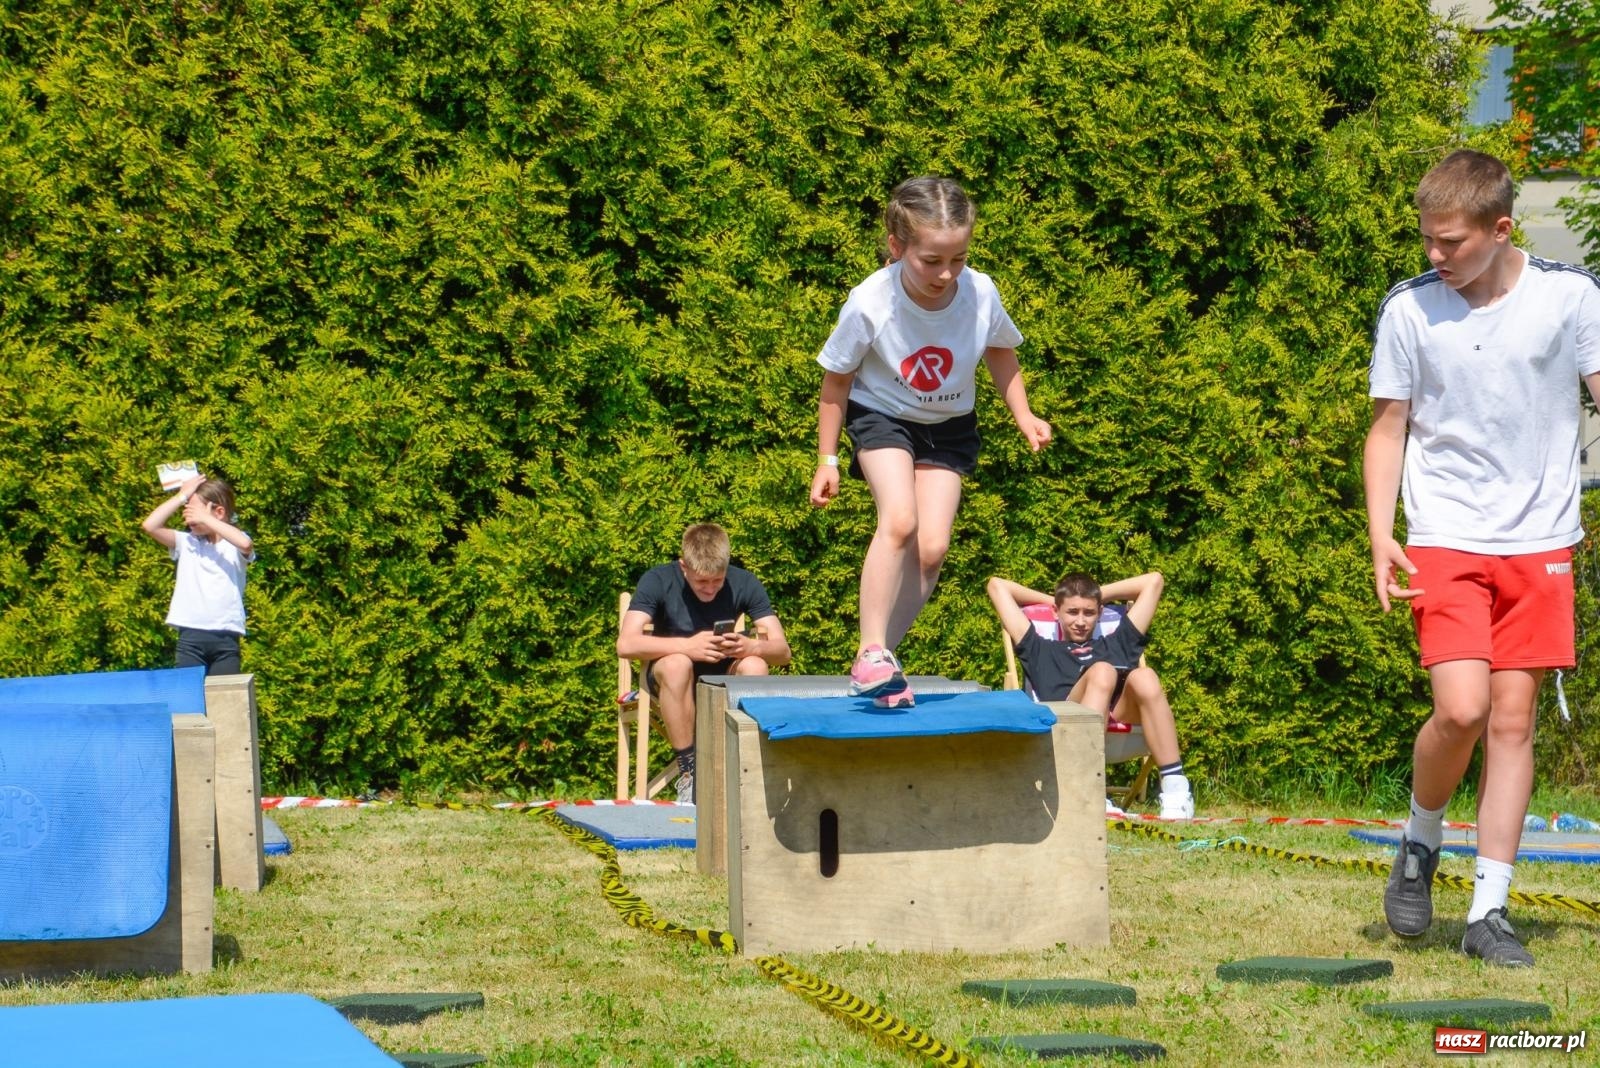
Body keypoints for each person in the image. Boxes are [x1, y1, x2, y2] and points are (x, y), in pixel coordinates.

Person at [1364, 149, 1600, 967]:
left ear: (1502, 230)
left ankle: (1488, 912)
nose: (1435, 256)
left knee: (1511, 720)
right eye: (1428, 239)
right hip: (1446, 534)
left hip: (1540, 543)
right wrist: (1380, 530)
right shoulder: (1410, 310)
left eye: (1452, 243)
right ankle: (1421, 839)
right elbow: (1388, 426)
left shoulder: (1572, 297)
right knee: (1460, 709)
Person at [810, 176, 1051, 709]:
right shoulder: (871, 300)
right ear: (897, 247)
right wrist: (827, 458)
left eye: (958, 259)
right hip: (883, 416)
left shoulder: (980, 291)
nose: (946, 274)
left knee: (933, 546)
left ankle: (878, 666)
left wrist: (1024, 414)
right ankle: (871, 646)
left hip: (949, 425)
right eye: (931, 260)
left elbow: (999, 350)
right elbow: (837, 381)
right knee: (899, 520)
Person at [987, 571, 1193, 819]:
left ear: (1100, 612)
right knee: (1103, 671)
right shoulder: (1040, 648)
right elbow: (997, 586)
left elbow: (1154, 581)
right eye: (1072, 612)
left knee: (1145, 676)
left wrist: (1093, 594)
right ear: (1057, 612)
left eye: (1089, 612)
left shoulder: (1115, 643)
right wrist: (1055, 599)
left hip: (1116, 717)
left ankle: (1176, 791)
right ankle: (1089, 787)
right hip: (1067, 724)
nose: (1081, 621)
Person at [618, 523, 791, 803]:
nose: (710, 589)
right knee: (678, 663)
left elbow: (783, 651)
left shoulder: (744, 581)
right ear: (684, 567)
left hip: (723, 678)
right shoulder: (658, 580)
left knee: (756, 665)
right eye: (701, 582)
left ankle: (744, 770)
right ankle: (690, 776)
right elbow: (626, 644)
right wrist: (688, 646)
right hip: (668, 678)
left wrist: (751, 646)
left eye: (717, 581)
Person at [140, 474, 255, 675]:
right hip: (190, 639)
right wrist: (182, 495)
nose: (188, 516)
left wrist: (206, 518)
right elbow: (150, 525)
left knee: (225, 702)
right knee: (189, 703)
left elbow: (245, 544)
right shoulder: (187, 543)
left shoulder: (234, 544)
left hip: (226, 639)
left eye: (194, 510)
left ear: (218, 512)